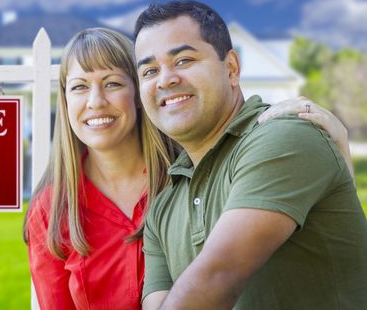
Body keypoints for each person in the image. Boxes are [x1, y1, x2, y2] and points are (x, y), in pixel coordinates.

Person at [24, 27, 354, 310]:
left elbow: (319, 243)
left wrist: (338, 150)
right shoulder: (51, 211)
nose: (96, 101)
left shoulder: (190, 173)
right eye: (79, 86)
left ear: (139, 92)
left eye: (112, 83)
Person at [134, 0, 367, 309]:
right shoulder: (162, 208)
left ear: (231, 68)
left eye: (184, 60)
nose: (165, 80)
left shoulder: (283, 136)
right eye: (150, 71)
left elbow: (219, 274)